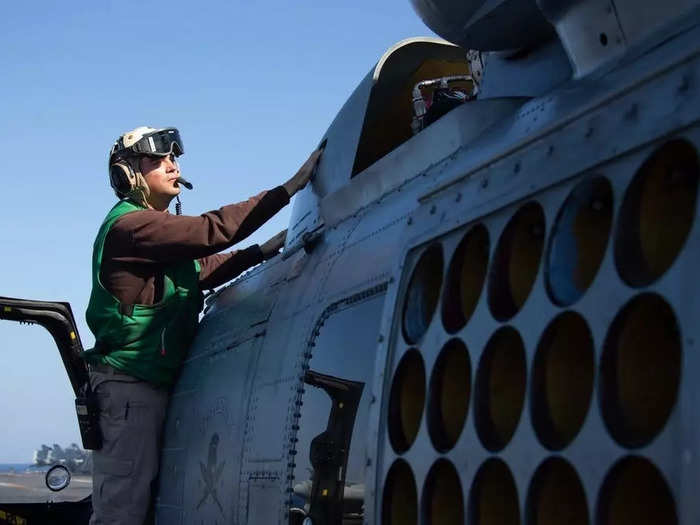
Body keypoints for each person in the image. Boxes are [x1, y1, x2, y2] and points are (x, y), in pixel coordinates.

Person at [83, 126, 322, 524]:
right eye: (159, 159)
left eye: (174, 158)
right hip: (128, 389)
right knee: (120, 515)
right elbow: (211, 231)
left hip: (150, 386)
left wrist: (263, 251)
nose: (172, 165)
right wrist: (289, 189)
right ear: (128, 175)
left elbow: (201, 269)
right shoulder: (130, 227)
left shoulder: (153, 239)